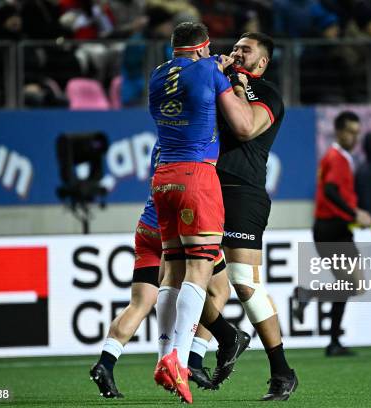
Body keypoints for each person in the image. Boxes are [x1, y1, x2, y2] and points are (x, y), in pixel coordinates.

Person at [149, 22, 254, 404]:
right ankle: (178, 359)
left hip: (163, 178)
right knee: (200, 269)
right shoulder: (210, 68)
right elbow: (242, 124)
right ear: (202, 48)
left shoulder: (157, 75)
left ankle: (163, 357)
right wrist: (229, 80)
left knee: (172, 270)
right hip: (197, 175)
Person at [88, 143, 239, 398]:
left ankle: (106, 362)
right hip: (181, 225)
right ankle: (192, 359)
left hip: (148, 227)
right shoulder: (201, 141)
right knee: (216, 288)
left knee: (139, 303)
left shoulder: (163, 145)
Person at [214, 32, 298, 401]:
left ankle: (282, 371)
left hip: (242, 191)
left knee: (244, 282)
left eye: (245, 50)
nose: (236, 52)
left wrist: (236, 82)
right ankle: (201, 356)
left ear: (262, 63)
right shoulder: (221, 83)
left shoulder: (267, 95)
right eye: (235, 47)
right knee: (189, 274)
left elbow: (246, 127)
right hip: (205, 187)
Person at [293, 111, 371, 357]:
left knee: (350, 285)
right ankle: (328, 329)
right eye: (350, 131)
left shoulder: (337, 157)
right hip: (333, 229)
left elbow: (334, 192)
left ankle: (333, 340)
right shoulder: (337, 157)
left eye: (357, 133)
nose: (354, 137)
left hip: (333, 228)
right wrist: (354, 214)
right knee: (355, 285)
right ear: (338, 131)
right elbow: (330, 191)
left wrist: (353, 214)